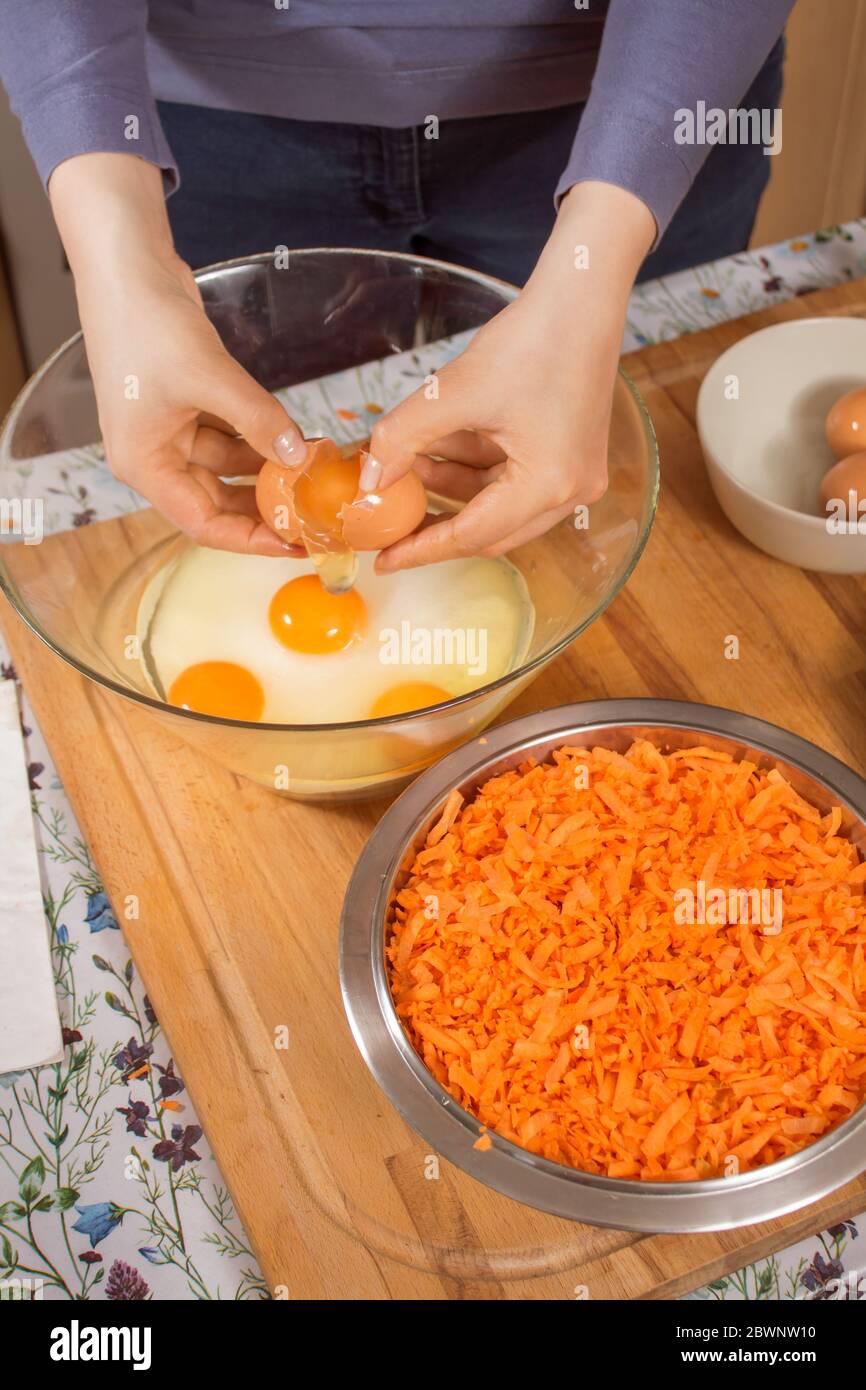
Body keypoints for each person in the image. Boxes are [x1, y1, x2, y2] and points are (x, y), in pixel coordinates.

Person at [0, 2, 792, 570]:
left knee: (618, 446)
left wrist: (604, 245)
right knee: (225, 447)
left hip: (646, 96)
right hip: (191, 123)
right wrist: (119, 250)